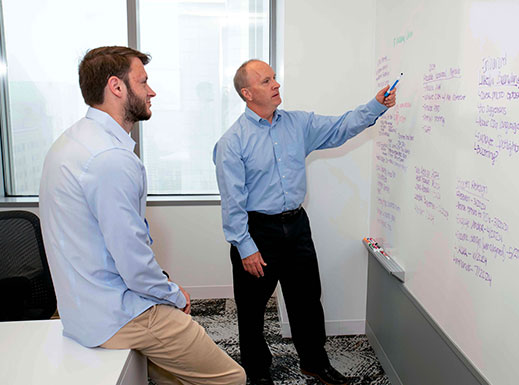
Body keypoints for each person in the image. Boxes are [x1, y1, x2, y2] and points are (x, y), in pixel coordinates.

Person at [39, 46, 246, 385]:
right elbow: (133, 261)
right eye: (143, 81)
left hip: (80, 310)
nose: (151, 91)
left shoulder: (73, 140)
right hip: (117, 314)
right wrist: (174, 296)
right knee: (231, 378)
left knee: (169, 377)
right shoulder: (109, 158)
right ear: (116, 87)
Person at [213, 59, 396, 385]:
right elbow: (233, 202)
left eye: (274, 78)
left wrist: (376, 105)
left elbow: (341, 126)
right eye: (266, 80)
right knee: (252, 310)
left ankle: (314, 362)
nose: (276, 84)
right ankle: (257, 373)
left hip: (296, 226)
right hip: (257, 232)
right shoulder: (233, 142)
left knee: (307, 301)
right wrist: (245, 246)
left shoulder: (297, 124)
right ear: (247, 93)